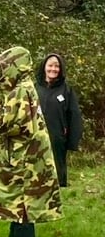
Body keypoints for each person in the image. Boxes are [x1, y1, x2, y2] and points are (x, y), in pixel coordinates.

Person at [0, 46, 62, 237]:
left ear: (16, 65)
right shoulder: (23, 86)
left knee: (24, 196)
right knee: (19, 195)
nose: (3, 71)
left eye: (5, 66)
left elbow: (16, 126)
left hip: (26, 153)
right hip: (27, 151)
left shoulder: (20, 90)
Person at [35, 53, 83, 187]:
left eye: (57, 66)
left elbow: (74, 115)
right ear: (44, 67)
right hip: (36, 136)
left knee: (57, 168)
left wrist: (72, 140)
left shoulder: (66, 90)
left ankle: (60, 190)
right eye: (50, 65)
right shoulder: (34, 88)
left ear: (61, 69)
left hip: (57, 137)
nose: (53, 69)